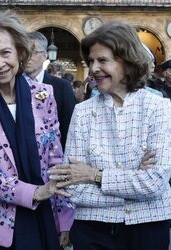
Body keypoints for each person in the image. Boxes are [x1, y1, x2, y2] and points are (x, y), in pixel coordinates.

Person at [0, 9, 73, 250]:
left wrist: (64, 218)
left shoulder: (44, 96)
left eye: (5, 53)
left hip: (43, 215)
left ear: (19, 53)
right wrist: (34, 193)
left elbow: (55, 160)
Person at [49, 22, 171, 250]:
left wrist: (94, 175)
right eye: (91, 61)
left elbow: (154, 184)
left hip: (148, 227)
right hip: (92, 230)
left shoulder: (160, 108)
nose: (94, 68)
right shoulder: (82, 112)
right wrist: (133, 181)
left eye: (103, 60)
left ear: (127, 61)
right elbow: (71, 185)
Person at [24, 31, 76, 149]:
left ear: (45, 55)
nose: (27, 57)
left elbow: (69, 126)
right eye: (23, 52)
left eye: (33, 52)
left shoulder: (62, 87)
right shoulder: (12, 84)